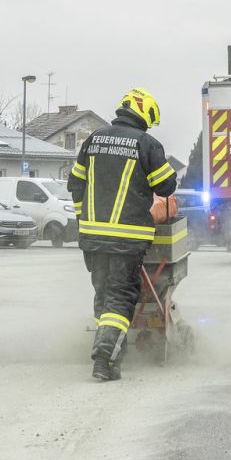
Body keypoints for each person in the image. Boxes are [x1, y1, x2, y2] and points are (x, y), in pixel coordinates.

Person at [67, 88, 177, 381]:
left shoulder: (93, 139)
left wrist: (83, 217)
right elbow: (166, 186)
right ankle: (105, 358)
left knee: (104, 295)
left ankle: (114, 350)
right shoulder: (146, 143)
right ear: (145, 114)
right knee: (121, 297)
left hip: (92, 237)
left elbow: (75, 184)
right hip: (126, 238)